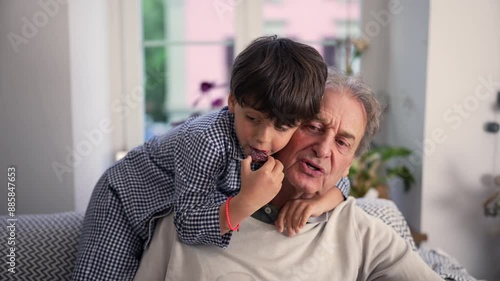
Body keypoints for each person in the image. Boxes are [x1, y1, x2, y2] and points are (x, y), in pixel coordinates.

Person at [72, 36, 351, 281]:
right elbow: (188, 225)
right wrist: (246, 202)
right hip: (123, 199)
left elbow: (340, 180)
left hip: (167, 206)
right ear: (232, 102)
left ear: (299, 122)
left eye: (281, 127)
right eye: (252, 119)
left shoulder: (283, 141)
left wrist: (317, 204)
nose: (263, 138)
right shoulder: (206, 141)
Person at [132, 69, 443, 281]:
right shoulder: (195, 216)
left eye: (342, 142)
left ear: (349, 164)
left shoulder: (363, 234)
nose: (323, 149)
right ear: (282, 126)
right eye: (313, 127)